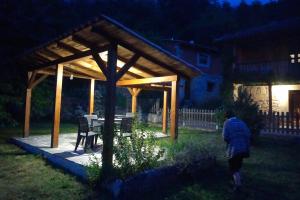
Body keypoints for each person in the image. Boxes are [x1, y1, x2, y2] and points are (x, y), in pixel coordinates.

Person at [222, 110, 251, 191]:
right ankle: (236, 181)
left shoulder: (227, 123)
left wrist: (230, 141)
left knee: (233, 169)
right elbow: (248, 134)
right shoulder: (241, 122)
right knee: (237, 167)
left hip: (234, 149)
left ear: (226, 117)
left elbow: (225, 137)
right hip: (243, 148)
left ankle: (238, 186)